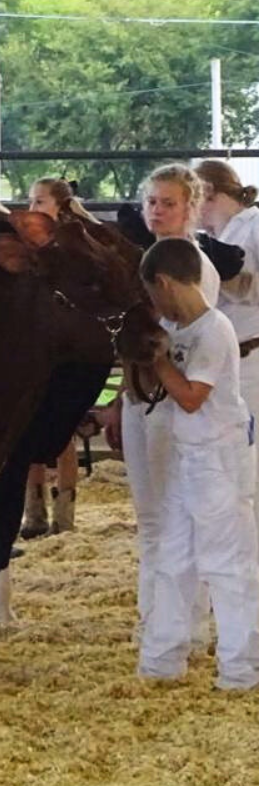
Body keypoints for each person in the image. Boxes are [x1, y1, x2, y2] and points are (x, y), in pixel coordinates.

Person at [100, 164, 220, 641]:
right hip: (143, 397)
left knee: (174, 516)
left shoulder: (191, 267)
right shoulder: (149, 261)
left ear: (191, 207)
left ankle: (184, 622)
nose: (157, 211)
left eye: (169, 203)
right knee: (152, 517)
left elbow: (180, 342)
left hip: (173, 399)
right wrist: (120, 399)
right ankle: (158, 618)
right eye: (152, 202)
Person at [135, 237, 259, 689]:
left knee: (227, 563)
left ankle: (241, 669)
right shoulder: (179, 327)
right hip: (189, 457)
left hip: (219, 458)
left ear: (164, 283)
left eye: (152, 292)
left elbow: (191, 397)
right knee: (173, 558)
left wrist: (159, 359)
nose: (154, 303)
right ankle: (161, 662)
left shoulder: (214, 329)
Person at [19, 177, 99, 539]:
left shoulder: (79, 242)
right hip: (40, 344)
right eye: (31, 202)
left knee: (63, 429)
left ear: (59, 207)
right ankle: (34, 511)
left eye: (39, 202)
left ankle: (64, 514)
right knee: (29, 427)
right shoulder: (33, 243)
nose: (33, 209)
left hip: (70, 347)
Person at [193, 159, 259, 531]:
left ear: (210, 194)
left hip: (252, 356)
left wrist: (230, 278)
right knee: (223, 466)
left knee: (249, 465)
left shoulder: (256, 225)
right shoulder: (214, 237)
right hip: (216, 362)